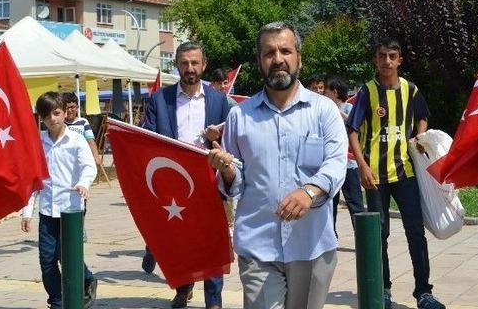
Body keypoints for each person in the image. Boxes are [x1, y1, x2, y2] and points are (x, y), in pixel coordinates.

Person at [208, 21, 347, 309]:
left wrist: (309, 191)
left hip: (312, 245)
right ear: (260, 61)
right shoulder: (240, 116)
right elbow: (236, 180)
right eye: (269, 53)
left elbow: (336, 163)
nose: (278, 59)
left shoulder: (324, 111)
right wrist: (227, 170)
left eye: (285, 51)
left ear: (299, 58)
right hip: (258, 246)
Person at [347, 38, 444, 309]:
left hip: (405, 173)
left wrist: (419, 137)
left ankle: (424, 292)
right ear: (375, 60)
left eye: (392, 56)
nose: (387, 61)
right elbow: (352, 130)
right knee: (380, 235)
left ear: (400, 60)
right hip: (375, 177)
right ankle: (384, 289)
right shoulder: (367, 91)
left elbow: (422, 115)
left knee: (416, 233)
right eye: (382, 56)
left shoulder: (410, 90)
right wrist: (363, 166)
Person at [142, 41, 230, 309]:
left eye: (194, 63)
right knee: (179, 241)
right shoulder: (160, 99)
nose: (190, 68)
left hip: (209, 181)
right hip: (174, 182)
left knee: (212, 241)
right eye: (184, 63)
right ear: (177, 65)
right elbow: (149, 138)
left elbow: (231, 140)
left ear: (204, 65)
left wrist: (218, 137)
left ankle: (213, 299)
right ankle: (183, 288)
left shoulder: (219, 100)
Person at [21, 92, 97, 309]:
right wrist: (27, 212)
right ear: (41, 118)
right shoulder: (38, 142)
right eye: (47, 115)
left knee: (67, 256)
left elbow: (89, 166)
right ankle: (56, 301)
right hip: (47, 210)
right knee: (47, 260)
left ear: (64, 113)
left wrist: (83, 183)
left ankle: (87, 279)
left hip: (71, 209)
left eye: (56, 113)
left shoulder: (76, 140)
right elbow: (33, 180)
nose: (52, 119)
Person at [323, 76, 365, 234]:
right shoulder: (325, 109)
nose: (324, 94)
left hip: (349, 165)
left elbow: (356, 127)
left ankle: (362, 238)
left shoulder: (349, 108)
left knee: (355, 204)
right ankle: (331, 238)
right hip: (330, 165)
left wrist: (338, 113)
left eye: (326, 91)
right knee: (330, 205)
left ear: (334, 92)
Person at [62, 92, 103, 165]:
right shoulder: (60, 123)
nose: (69, 110)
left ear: (77, 107)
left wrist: (96, 157)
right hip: (64, 160)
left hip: (81, 159)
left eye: (72, 107)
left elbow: (90, 141)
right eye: (66, 108)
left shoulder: (83, 122)